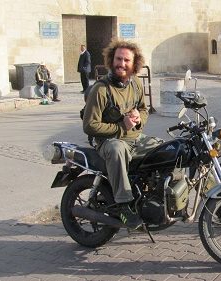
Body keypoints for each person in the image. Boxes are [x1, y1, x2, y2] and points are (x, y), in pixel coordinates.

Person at [82, 40, 148, 229]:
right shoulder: (101, 89)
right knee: (117, 149)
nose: (122, 63)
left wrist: (138, 117)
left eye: (127, 60)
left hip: (134, 138)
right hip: (107, 141)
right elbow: (89, 125)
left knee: (168, 150)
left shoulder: (135, 84)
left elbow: (144, 109)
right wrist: (121, 127)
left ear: (134, 64)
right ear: (111, 60)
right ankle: (123, 205)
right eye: (118, 59)